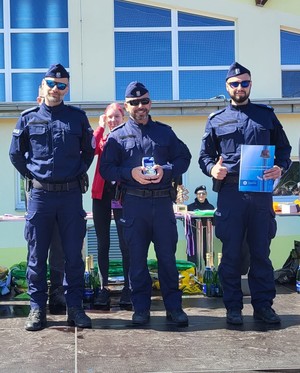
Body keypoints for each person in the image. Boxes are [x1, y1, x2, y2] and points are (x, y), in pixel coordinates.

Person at [199, 62, 292, 325]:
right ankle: (233, 307)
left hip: (261, 193)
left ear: (250, 85)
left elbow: (284, 150)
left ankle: (263, 306)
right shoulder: (216, 120)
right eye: (235, 84)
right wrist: (212, 168)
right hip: (231, 193)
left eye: (244, 83)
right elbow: (204, 156)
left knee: (261, 253)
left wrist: (280, 167)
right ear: (227, 87)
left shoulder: (267, 115)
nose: (240, 87)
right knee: (231, 254)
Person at [9, 63, 95, 331]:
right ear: (42, 86)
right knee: (36, 255)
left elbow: (88, 153)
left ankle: (75, 308)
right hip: (40, 197)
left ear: (66, 88)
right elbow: (15, 154)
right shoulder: (28, 117)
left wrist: (74, 174)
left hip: (70, 195)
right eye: (51, 84)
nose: (56, 89)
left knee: (73, 255)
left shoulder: (77, 117)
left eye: (61, 85)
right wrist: (35, 176)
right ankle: (37, 309)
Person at [100, 81, 191, 326]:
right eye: (134, 102)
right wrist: (131, 174)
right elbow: (106, 169)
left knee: (167, 260)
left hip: (162, 205)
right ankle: (141, 309)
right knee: (137, 261)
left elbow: (184, 157)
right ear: (127, 105)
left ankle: (174, 308)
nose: (140, 106)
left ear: (150, 103)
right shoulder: (117, 137)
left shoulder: (165, 132)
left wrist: (167, 170)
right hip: (133, 206)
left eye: (145, 101)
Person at [91, 103, 131, 310]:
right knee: (102, 243)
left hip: (122, 196)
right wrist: (99, 128)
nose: (113, 120)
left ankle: (128, 287)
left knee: (126, 243)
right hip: (101, 196)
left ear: (123, 118)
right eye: (109, 118)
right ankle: (103, 287)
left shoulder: (128, 139)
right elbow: (91, 148)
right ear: (105, 119)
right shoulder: (104, 140)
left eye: (116, 117)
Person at [187, 185, 215, 264]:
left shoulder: (210, 207)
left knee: (208, 255)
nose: (201, 195)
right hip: (194, 236)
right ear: (196, 195)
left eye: (203, 193)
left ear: (206, 195)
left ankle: (209, 274)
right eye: (199, 194)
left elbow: (214, 222)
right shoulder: (190, 207)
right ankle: (193, 274)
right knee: (193, 257)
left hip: (207, 235)